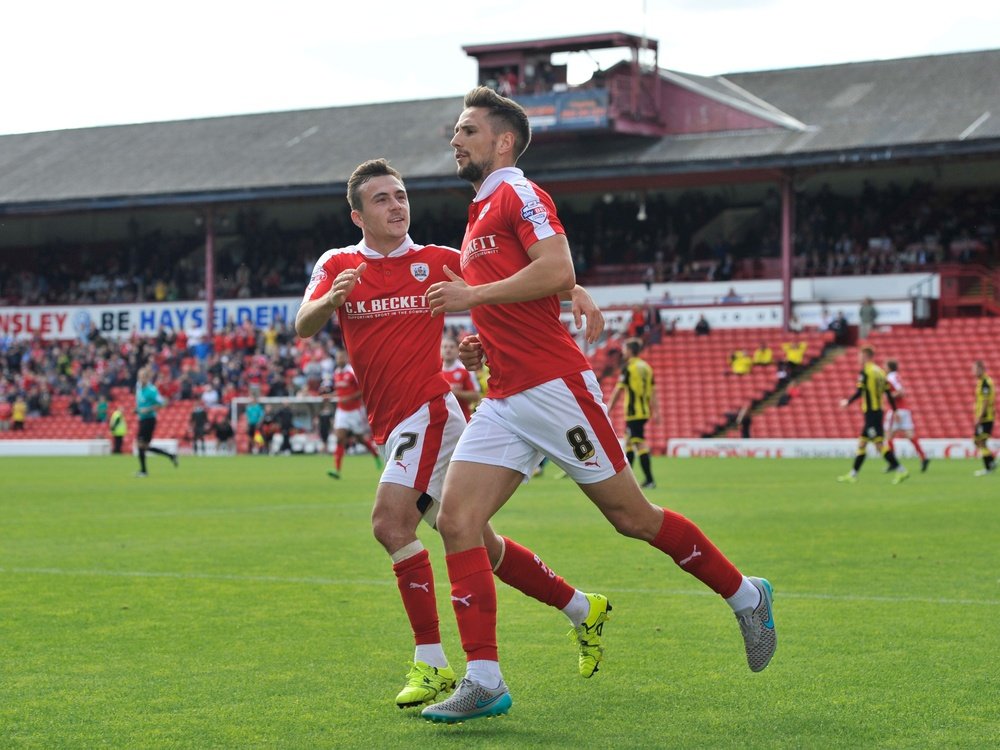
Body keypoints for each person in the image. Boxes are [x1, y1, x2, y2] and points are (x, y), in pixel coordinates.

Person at [421, 87, 776, 724]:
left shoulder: (519, 194)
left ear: (502, 142)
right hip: (504, 396)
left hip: (556, 388)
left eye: (467, 130)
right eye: (457, 129)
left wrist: (479, 301)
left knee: (633, 518)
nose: (456, 138)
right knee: (457, 521)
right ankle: (484, 679)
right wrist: (483, 338)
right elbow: (529, 292)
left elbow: (555, 269)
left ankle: (746, 595)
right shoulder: (479, 214)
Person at [295, 157, 610, 711]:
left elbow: (522, 280)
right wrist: (330, 299)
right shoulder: (337, 263)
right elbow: (303, 323)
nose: (396, 205)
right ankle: (583, 608)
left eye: (400, 195)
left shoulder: (440, 260)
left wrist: (576, 290)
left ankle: (433, 664)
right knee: (474, 542)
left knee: (390, 524)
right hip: (391, 423)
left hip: (432, 411)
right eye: (382, 199)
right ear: (357, 215)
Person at [837, 347, 907, 484]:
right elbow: (888, 393)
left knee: (879, 445)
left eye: (860, 356)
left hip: (871, 413)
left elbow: (859, 391)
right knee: (862, 443)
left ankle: (901, 470)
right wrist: (895, 410)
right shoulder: (880, 372)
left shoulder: (866, 372)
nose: (858, 359)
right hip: (877, 412)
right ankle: (853, 474)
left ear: (866, 356)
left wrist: (847, 402)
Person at [607, 338, 657, 489]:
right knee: (629, 443)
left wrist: (608, 408)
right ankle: (629, 482)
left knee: (638, 442)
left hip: (633, 412)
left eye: (624, 349)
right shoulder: (647, 367)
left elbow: (619, 389)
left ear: (630, 351)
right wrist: (656, 412)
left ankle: (649, 479)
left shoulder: (629, 367)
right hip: (643, 411)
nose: (623, 351)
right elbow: (653, 392)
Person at [328, 349, 381, 478]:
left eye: (341, 357)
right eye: (338, 358)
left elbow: (363, 390)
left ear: (346, 359)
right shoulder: (336, 373)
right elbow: (340, 392)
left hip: (354, 411)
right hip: (341, 411)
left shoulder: (351, 372)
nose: (339, 360)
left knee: (360, 439)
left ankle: (375, 455)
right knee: (340, 438)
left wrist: (349, 398)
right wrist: (329, 396)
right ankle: (337, 470)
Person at [884, 359, 929, 472]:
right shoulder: (897, 376)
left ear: (889, 367)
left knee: (888, 435)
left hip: (896, 410)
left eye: (885, 366)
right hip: (905, 409)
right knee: (910, 434)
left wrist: (891, 397)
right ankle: (923, 457)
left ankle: (893, 463)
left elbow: (901, 391)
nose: (884, 368)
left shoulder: (890, 377)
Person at [134, 366, 179, 477]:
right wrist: (137, 410)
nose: (141, 378)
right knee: (145, 446)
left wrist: (148, 409)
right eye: (140, 376)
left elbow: (164, 403)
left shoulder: (152, 390)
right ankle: (170, 455)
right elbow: (141, 403)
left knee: (140, 445)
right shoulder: (139, 387)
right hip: (142, 419)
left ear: (148, 377)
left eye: (144, 376)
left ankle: (144, 471)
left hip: (149, 420)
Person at [441, 336, 480, 420]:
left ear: (457, 350)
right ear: (440, 350)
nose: (448, 350)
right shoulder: (435, 370)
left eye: (451, 347)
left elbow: (476, 396)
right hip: (440, 421)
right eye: (445, 347)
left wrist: (456, 393)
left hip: (461, 420)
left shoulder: (466, 369)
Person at [971, 360, 996, 476]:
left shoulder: (985, 382)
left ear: (981, 369)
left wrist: (979, 417)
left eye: (974, 369)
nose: (973, 371)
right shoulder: (982, 382)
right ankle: (991, 463)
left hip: (986, 418)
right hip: (984, 417)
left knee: (980, 440)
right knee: (979, 441)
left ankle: (989, 466)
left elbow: (985, 401)